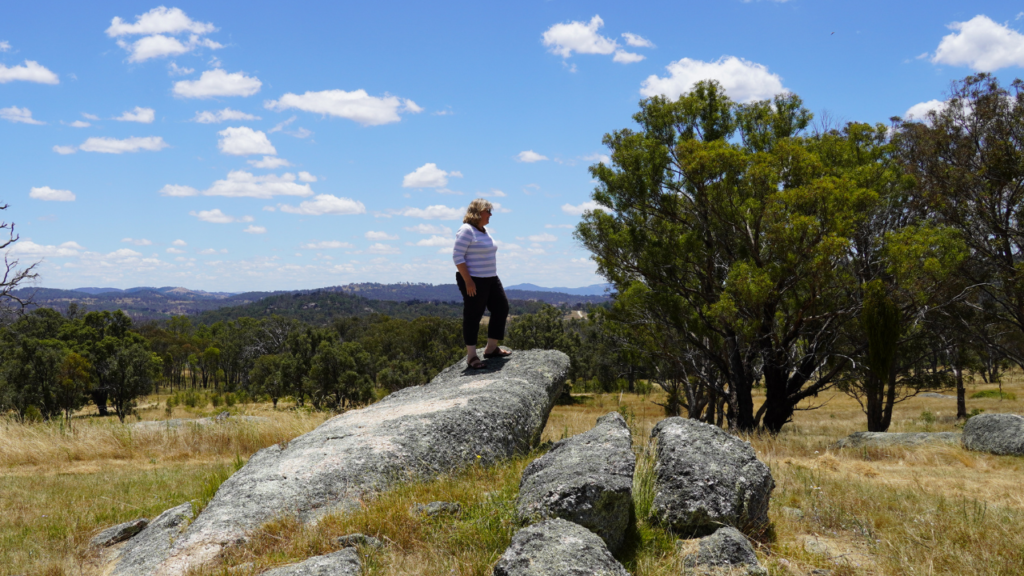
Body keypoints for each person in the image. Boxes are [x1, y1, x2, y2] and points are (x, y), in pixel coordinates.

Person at [453, 198, 511, 369]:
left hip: (491, 278)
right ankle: (471, 357)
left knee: (501, 308)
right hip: (474, 280)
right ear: (478, 212)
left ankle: (491, 348)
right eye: (488, 211)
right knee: (473, 315)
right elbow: (457, 256)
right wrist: (468, 281)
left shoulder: (483, 231)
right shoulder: (466, 230)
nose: (490, 214)